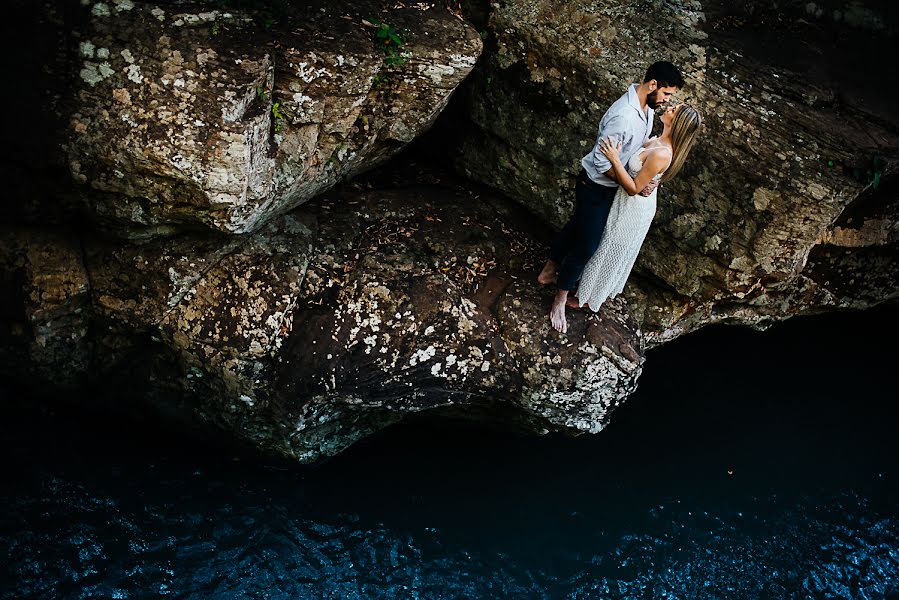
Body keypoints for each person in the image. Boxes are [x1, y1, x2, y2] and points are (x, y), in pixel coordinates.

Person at [537, 61, 684, 333]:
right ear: (653, 85)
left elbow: (639, 150)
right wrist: (633, 183)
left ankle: (548, 270)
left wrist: (646, 179)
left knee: (576, 226)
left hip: (611, 189)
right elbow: (601, 161)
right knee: (587, 247)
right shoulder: (624, 116)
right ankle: (560, 300)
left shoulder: (647, 109)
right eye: (666, 94)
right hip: (596, 186)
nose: (665, 101)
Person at [573, 103, 703, 312]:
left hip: (634, 207)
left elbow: (634, 188)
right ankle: (583, 289)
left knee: (610, 246)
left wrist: (614, 160)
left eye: (674, 110)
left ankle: (589, 299)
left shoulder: (662, 153)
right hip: (625, 200)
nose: (669, 107)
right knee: (605, 239)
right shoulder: (657, 139)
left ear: (677, 122)